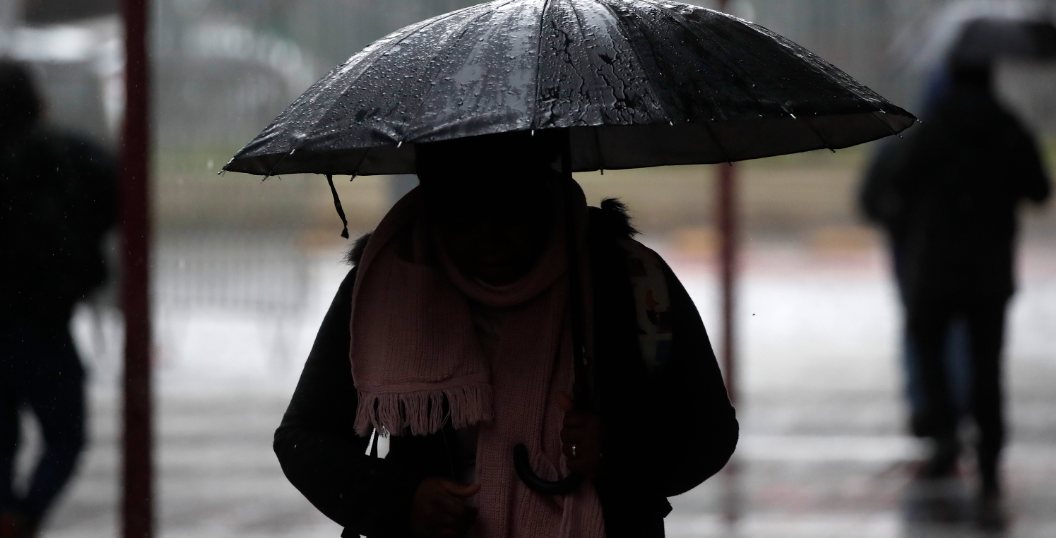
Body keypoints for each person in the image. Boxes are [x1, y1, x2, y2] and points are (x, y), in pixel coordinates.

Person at [275, 132, 737, 537]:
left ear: (542, 189)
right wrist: (403, 500)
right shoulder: (382, 287)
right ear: (432, 204)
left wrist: (617, 451)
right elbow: (305, 438)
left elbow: (709, 433)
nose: (490, 239)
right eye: (463, 218)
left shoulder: (627, 278)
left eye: (511, 212)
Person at [0, 60, 118, 538]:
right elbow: (112, 193)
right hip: (44, 326)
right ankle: (25, 517)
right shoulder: (64, 158)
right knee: (66, 438)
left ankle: (1, 523)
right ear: (36, 103)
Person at [860, 56, 1050, 504]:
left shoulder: (931, 128)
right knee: (988, 365)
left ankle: (943, 436)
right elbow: (1039, 189)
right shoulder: (1008, 128)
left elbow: (895, 187)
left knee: (929, 356)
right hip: (990, 272)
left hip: (934, 270)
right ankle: (989, 457)